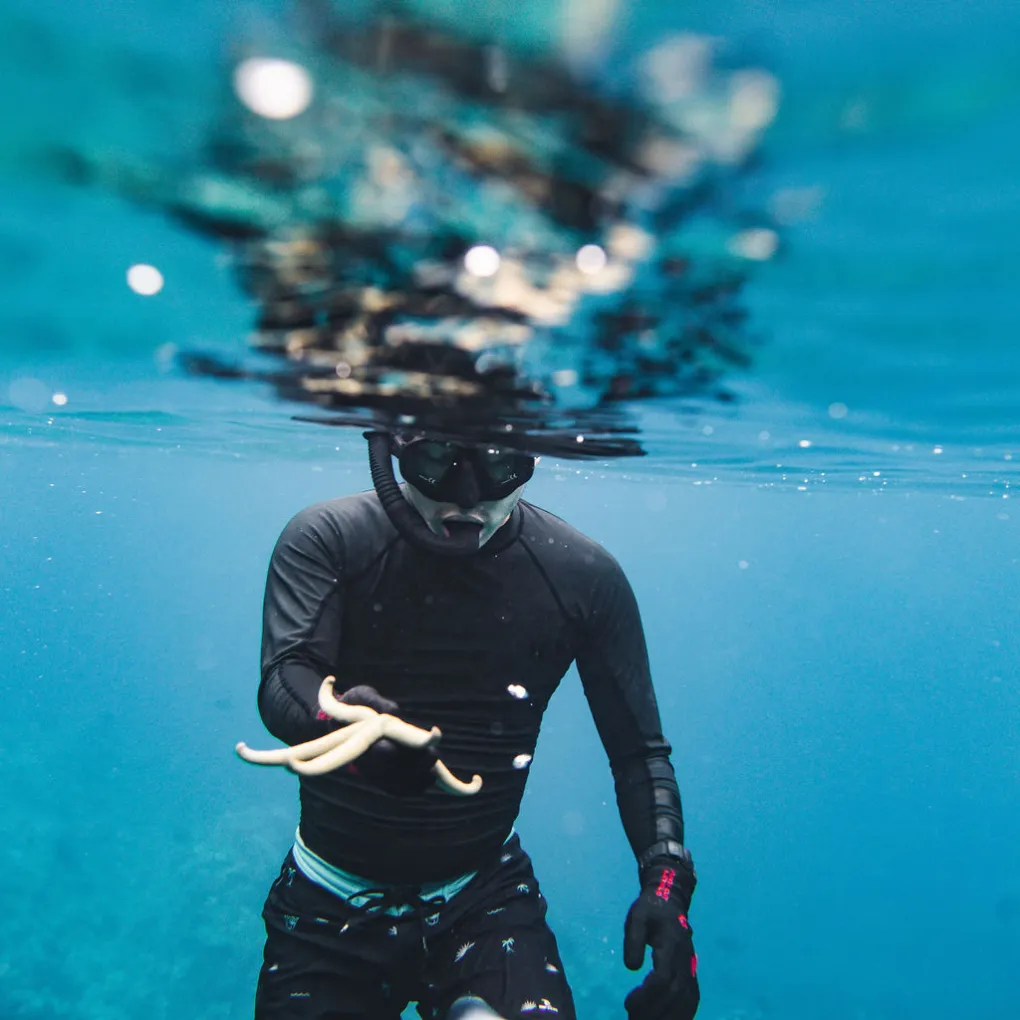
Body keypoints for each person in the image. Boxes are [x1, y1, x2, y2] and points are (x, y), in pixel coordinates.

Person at [249, 429, 700, 1020]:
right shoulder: (331, 538)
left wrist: (667, 885)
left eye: (499, 466)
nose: (467, 498)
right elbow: (286, 679)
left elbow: (638, 754)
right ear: (392, 449)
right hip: (326, 900)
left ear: (531, 457)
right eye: (437, 461)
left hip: (484, 896)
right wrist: (348, 731)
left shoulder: (583, 575)